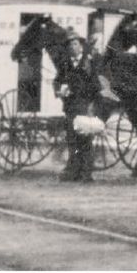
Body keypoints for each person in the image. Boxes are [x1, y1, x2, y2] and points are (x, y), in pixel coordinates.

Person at [54, 33, 101, 182]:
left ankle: (86, 173)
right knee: (71, 139)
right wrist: (59, 90)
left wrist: (90, 104)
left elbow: (95, 86)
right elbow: (57, 80)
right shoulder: (65, 63)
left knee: (85, 140)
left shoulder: (88, 63)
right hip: (69, 107)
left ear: (81, 46)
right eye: (70, 45)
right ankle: (73, 170)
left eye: (75, 44)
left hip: (83, 106)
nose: (72, 47)